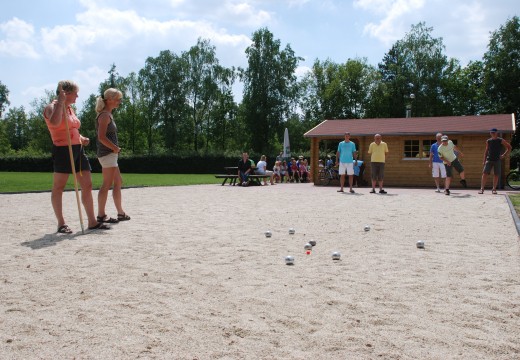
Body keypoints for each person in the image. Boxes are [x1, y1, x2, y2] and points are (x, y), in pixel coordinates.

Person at [43, 80, 109, 233]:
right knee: (59, 186)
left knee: (87, 184)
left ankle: (92, 221)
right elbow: (55, 123)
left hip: (77, 149)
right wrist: (60, 102)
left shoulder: (70, 109)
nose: (77, 96)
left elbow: (72, 129)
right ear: (65, 93)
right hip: (62, 150)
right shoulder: (52, 107)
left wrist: (81, 138)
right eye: (75, 93)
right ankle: (61, 223)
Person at [95, 88, 130, 224]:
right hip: (107, 154)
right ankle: (101, 215)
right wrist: (114, 147)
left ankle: (120, 212)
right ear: (109, 100)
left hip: (110, 154)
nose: (119, 102)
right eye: (117, 99)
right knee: (107, 184)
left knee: (118, 181)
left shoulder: (108, 115)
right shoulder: (104, 115)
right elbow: (101, 137)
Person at [479, 128, 512, 194]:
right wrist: (484, 160)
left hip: (497, 160)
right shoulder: (488, 141)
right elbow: (486, 151)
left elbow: (509, 147)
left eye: (494, 132)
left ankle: (494, 189)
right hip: (489, 160)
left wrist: (503, 155)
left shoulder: (500, 140)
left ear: (497, 133)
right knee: (484, 173)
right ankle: (482, 189)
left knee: (496, 174)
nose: (492, 134)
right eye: (491, 132)